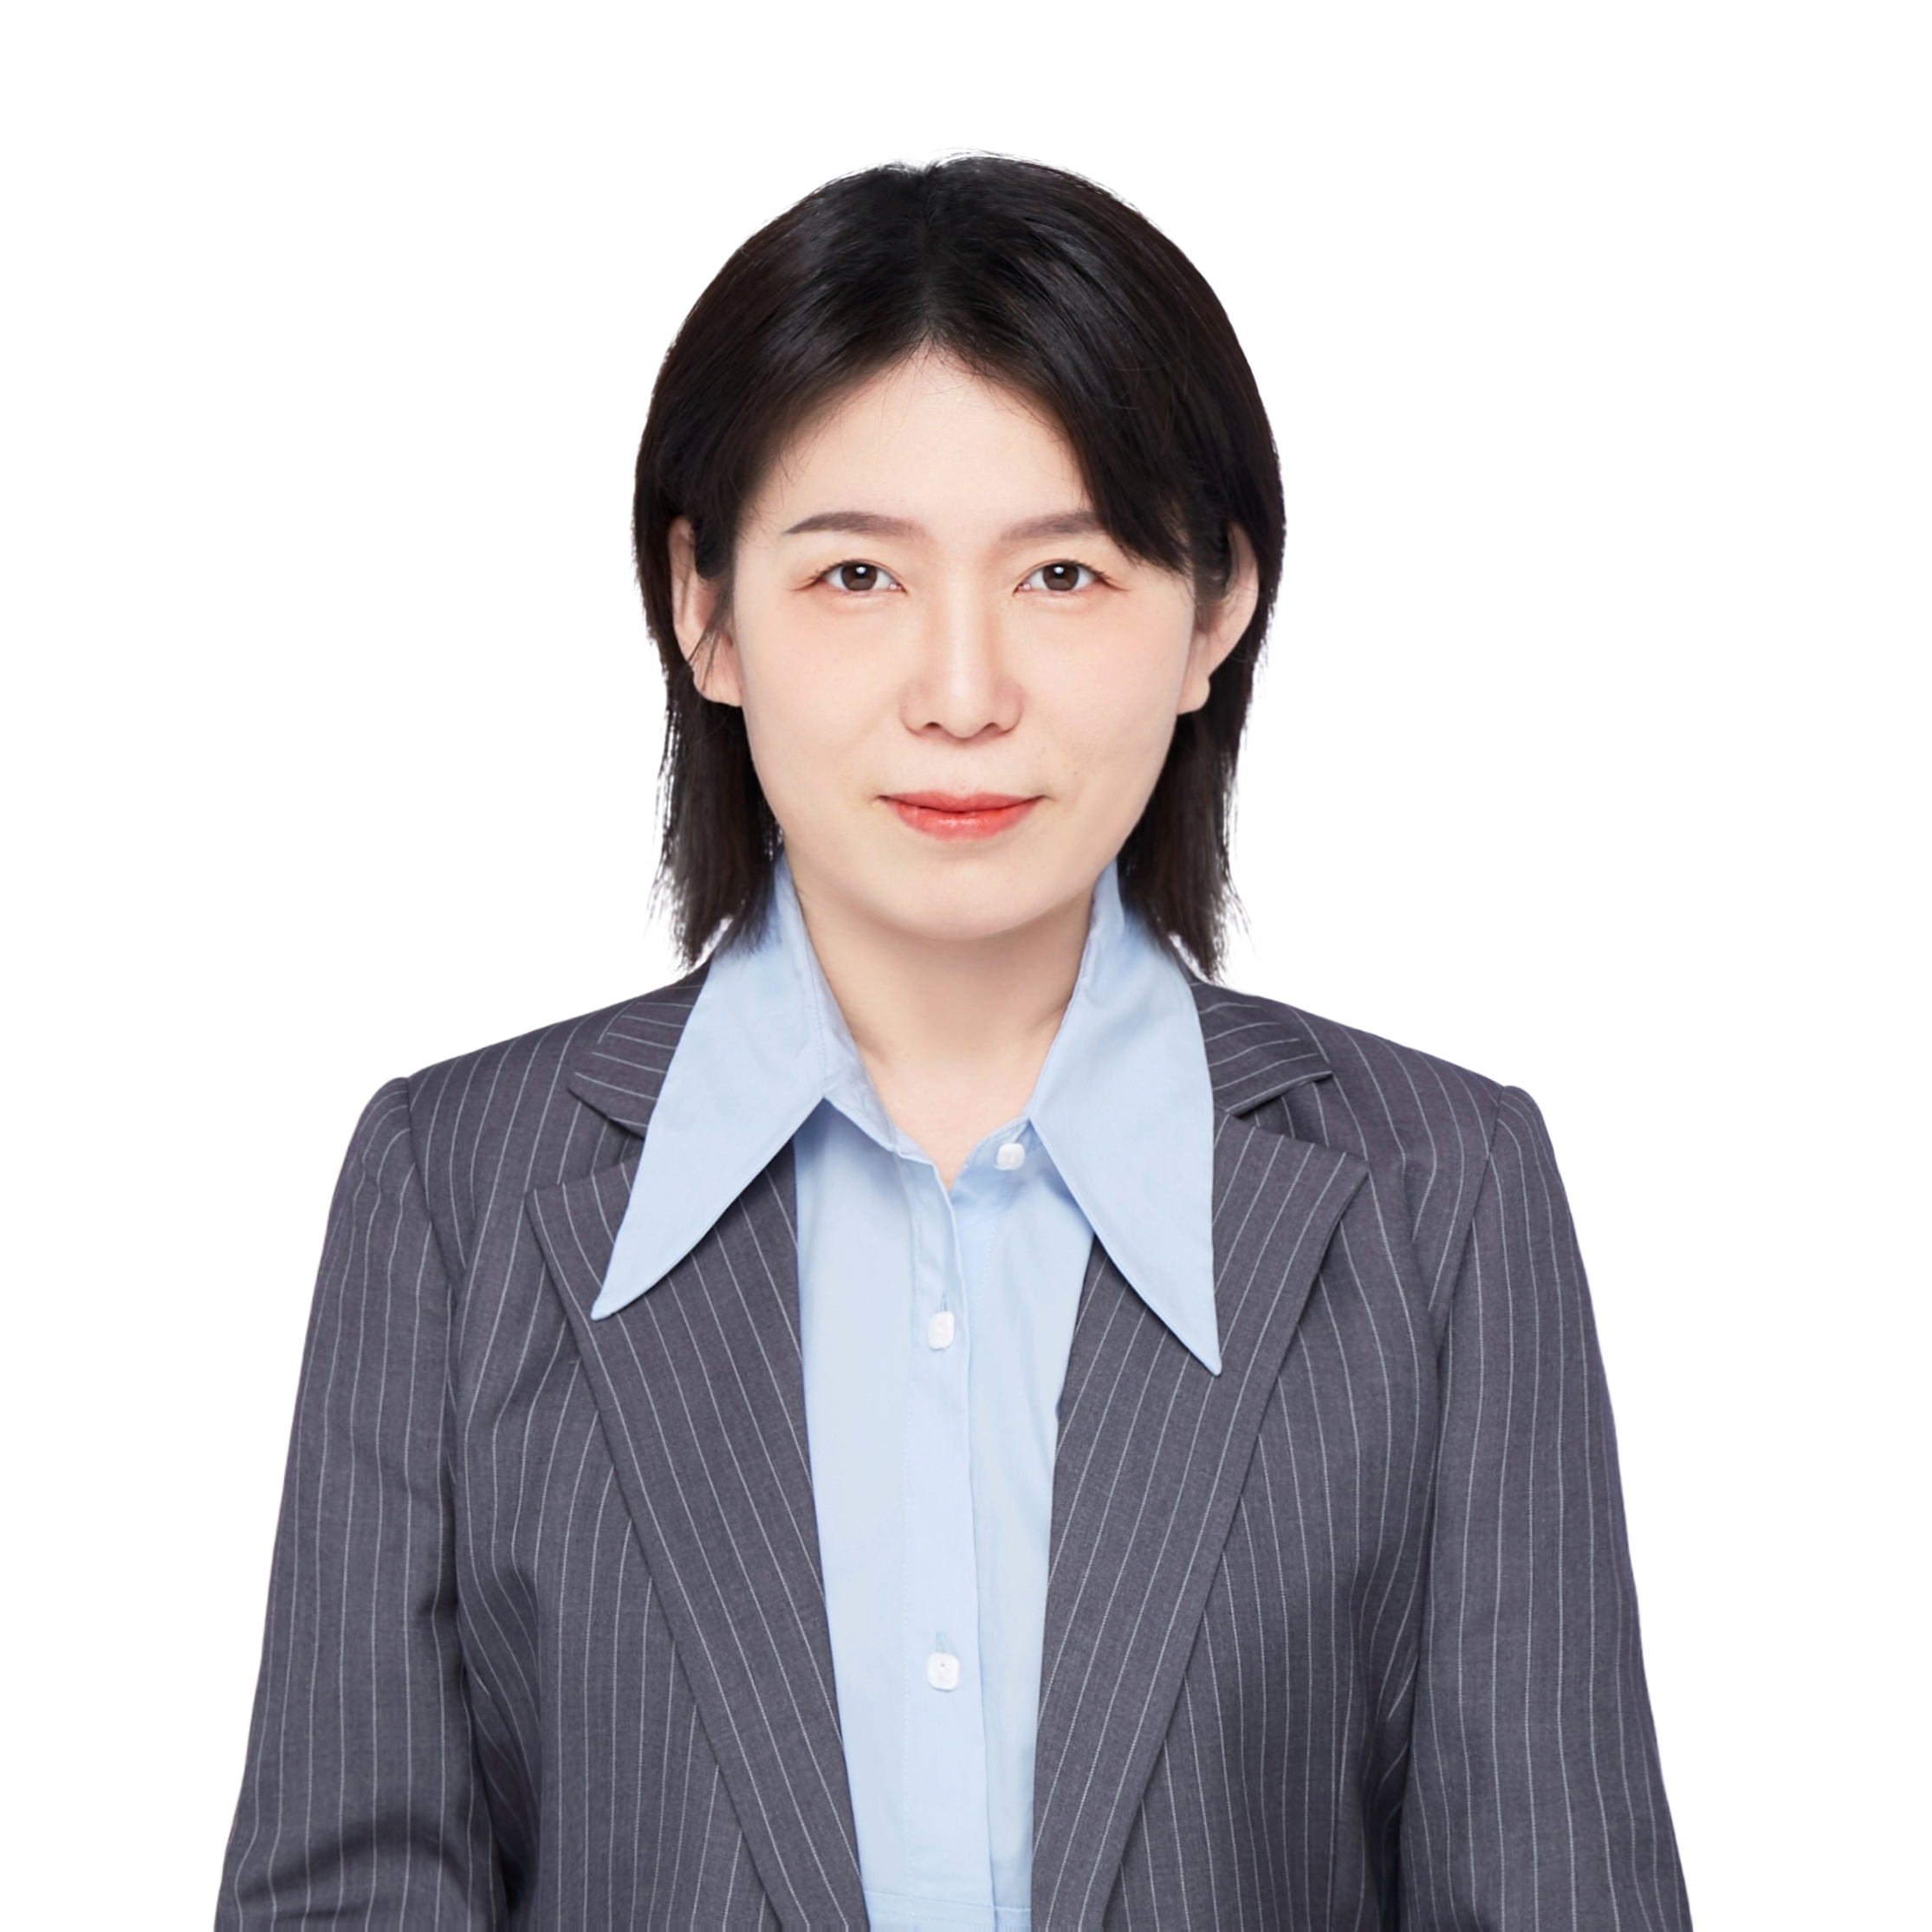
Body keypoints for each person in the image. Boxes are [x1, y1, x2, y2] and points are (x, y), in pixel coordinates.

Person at [219, 157, 1691, 1929]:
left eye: (1063, 572)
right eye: (856, 574)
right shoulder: (455, 1191)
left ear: (1213, 607)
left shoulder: (1437, 1195)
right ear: (705, 608)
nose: (963, 692)